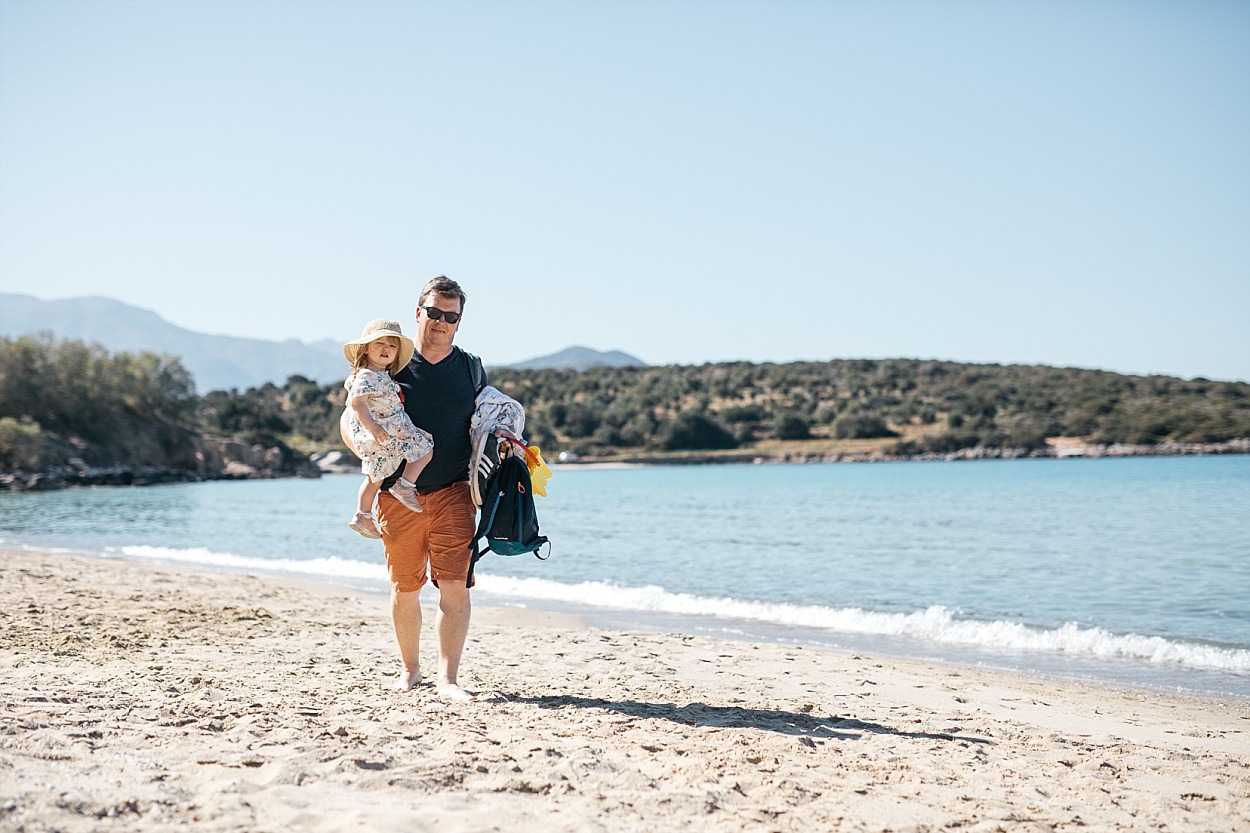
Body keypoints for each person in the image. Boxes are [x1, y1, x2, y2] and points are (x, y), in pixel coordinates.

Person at [365, 276, 486, 700]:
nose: (441, 321)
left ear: (458, 322)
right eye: (434, 312)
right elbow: (353, 411)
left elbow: (487, 419)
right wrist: (357, 439)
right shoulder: (391, 363)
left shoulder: (471, 368)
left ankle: (448, 680)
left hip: (454, 491)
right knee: (405, 588)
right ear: (418, 313)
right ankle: (410, 671)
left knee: (455, 585)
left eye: (450, 316)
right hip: (399, 494)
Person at [341, 319, 433, 538]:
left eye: (392, 346)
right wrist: (373, 427)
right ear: (366, 349)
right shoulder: (366, 375)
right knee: (423, 450)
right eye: (379, 343)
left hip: (392, 430)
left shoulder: (381, 375)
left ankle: (366, 513)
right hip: (385, 430)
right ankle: (401, 488)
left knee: (378, 475)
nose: (386, 349)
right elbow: (356, 403)